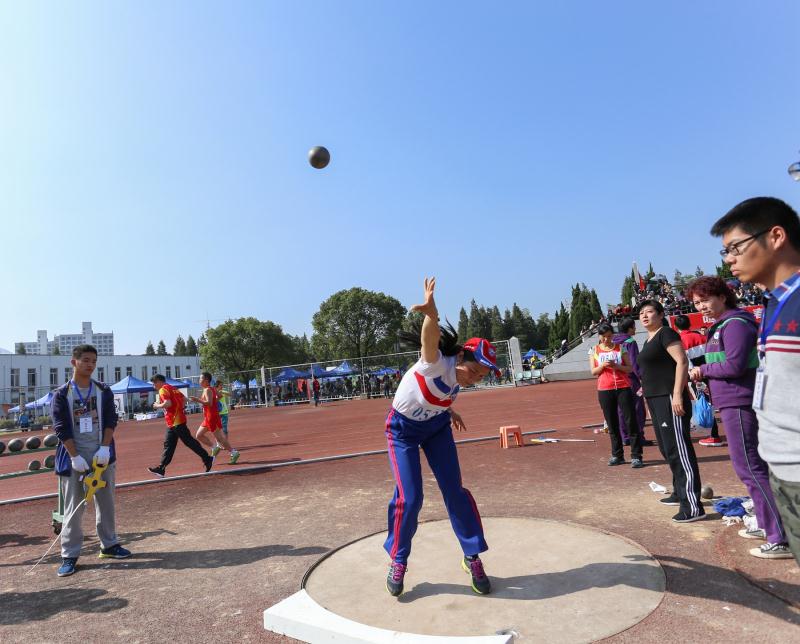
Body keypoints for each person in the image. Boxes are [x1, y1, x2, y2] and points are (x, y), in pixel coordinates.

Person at [384, 277, 496, 597]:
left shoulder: (459, 378)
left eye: (482, 377)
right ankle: (398, 559)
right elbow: (429, 341)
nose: (475, 380)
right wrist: (431, 316)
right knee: (410, 498)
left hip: (436, 428)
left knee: (454, 491)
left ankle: (472, 556)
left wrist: (450, 411)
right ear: (460, 358)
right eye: (474, 372)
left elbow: (439, 395)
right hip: (402, 431)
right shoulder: (434, 363)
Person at [709, 197, 800, 563]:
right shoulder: (774, 303)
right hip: (783, 467)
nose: (729, 259)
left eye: (736, 248)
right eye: (726, 251)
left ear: (776, 236)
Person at [687, 276, 791, 559]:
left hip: (739, 401)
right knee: (753, 466)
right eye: (696, 303)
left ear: (722, 296)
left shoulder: (735, 324)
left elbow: (734, 365)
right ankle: (768, 524)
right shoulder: (723, 325)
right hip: (733, 401)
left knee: (750, 467)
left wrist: (703, 371)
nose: (701, 307)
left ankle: (780, 536)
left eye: (705, 300)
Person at [51, 344, 131, 577]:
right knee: (74, 507)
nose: (90, 365)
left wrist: (105, 447)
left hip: (101, 456)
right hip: (74, 458)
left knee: (106, 503)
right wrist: (74, 456)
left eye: (94, 361)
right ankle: (69, 555)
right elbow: (60, 427)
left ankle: (109, 545)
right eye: (85, 360)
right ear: (73, 362)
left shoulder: (103, 390)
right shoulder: (62, 394)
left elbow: (111, 420)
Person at [637, 300, 704, 523]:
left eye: (649, 311)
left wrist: (677, 394)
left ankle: (692, 506)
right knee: (667, 448)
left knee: (678, 449)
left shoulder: (666, 333)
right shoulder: (649, 339)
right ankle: (679, 492)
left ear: (660, 314)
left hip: (669, 397)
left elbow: (682, 362)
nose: (644, 316)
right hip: (655, 399)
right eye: (641, 313)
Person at [589, 322, 643, 467]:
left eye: (609, 336)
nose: (607, 339)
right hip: (605, 389)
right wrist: (602, 365)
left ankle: (636, 456)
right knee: (612, 424)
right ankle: (617, 455)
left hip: (623, 387)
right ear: (599, 336)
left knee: (631, 421)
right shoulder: (594, 350)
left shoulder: (621, 347)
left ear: (613, 335)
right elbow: (593, 371)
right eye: (604, 337)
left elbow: (630, 368)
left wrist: (616, 366)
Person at [673, 314, 725, 447]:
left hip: (696, 376)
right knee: (712, 402)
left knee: (705, 404)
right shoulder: (702, 337)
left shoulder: (680, 341)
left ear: (676, 327)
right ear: (689, 324)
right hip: (710, 372)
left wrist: (694, 378)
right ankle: (715, 434)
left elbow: (685, 362)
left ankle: (714, 436)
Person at [148, 374, 213, 477]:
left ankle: (207, 458)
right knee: (169, 445)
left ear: (159, 381)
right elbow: (184, 399)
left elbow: (168, 403)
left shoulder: (163, 390)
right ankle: (161, 468)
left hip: (175, 422)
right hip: (175, 421)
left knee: (188, 442)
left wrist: (157, 405)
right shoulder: (173, 388)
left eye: (154, 383)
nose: (153, 386)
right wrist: (179, 409)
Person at [612, 318, 648, 447]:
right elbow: (634, 363)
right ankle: (638, 436)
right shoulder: (630, 342)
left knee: (621, 409)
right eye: (634, 326)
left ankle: (625, 437)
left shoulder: (612, 342)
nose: (635, 329)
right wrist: (642, 377)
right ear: (629, 328)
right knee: (638, 408)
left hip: (616, 380)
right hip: (631, 380)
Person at [191, 372, 240, 464]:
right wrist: (213, 401)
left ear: (206, 380)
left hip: (212, 417)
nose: (199, 380)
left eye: (200, 378)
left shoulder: (207, 390)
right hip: (208, 417)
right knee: (199, 435)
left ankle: (234, 452)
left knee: (220, 438)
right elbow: (219, 396)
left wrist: (197, 400)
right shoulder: (212, 389)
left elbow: (209, 403)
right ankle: (214, 447)